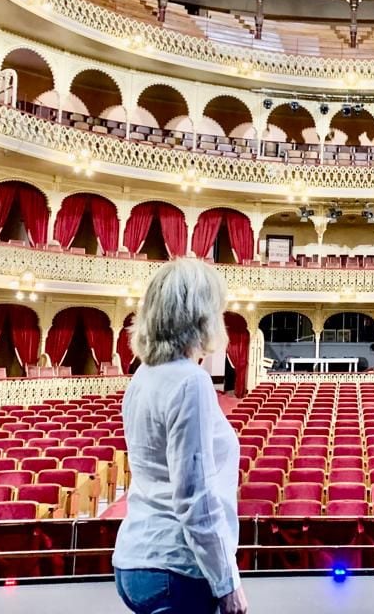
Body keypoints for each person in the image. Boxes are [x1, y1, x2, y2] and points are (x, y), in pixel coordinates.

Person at [113, 258, 249, 614]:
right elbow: (195, 498)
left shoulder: (143, 377)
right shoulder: (190, 381)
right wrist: (227, 583)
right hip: (177, 566)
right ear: (201, 315)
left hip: (134, 558)